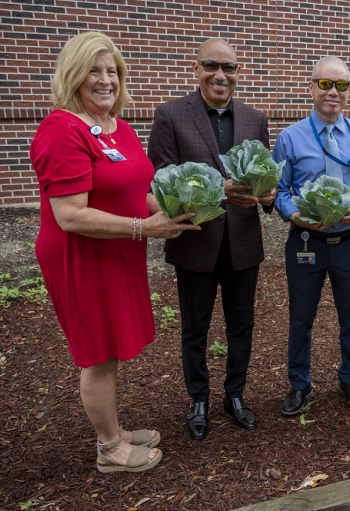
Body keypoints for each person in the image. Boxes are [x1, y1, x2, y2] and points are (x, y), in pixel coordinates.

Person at [30, 32, 198, 473]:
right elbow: (70, 216)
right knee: (98, 351)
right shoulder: (61, 130)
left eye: (113, 72)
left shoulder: (116, 127)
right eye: (94, 70)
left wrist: (180, 210)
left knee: (111, 347)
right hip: (81, 257)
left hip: (118, 251)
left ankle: (116, 429)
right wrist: (146, 228)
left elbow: (137, 191)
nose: (106, 80)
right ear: (73, 74)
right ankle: (110, 448)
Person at [148, 38, 276, 440]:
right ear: (196, 68)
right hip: (195, 239)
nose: (220, 74)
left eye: (229, 67)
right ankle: (198, 398)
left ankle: (234, 395)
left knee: (242, 325)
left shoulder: (255, 119)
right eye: (211, 65)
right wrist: (217, 189)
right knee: (194, 329)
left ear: (238, 72)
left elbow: (265, 176)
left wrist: (269, 194)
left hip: (243, 242)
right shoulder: (170, 115)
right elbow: (162, 181)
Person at [273, 56, 350, 414]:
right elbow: (280, 191)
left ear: (348, 91)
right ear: (311, 87)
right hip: (307, 245)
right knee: (302, 318)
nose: (333, 92)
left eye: (342, 85)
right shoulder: (289, 138)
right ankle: (300, 385)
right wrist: (296, 216)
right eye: (325, 84)